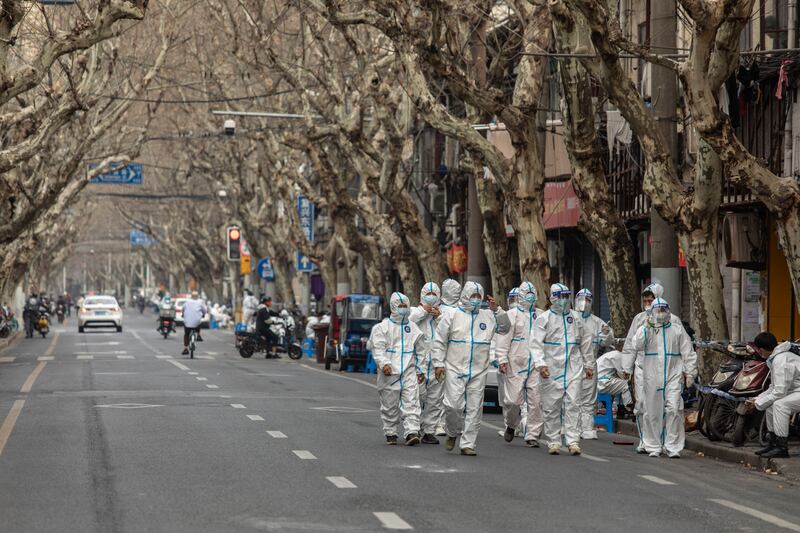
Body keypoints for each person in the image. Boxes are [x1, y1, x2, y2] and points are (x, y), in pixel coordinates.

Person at [432, 281, 511, 456]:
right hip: (454, 368)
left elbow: (505, 328)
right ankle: (453, 432)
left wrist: (497, 310)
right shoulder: (452, 315)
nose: (475, 300)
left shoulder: (488, 316)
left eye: (478, 296)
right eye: (472, 296)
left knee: (475, 408)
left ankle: (468, 444)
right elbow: (439, 341)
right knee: (453, 406)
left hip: (479, 370)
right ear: (465, 296)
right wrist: (438, 364)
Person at [624, 298, 697, 458]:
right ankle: (653, 445)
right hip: (652, 376)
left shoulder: (677, 330)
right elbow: (636, 344)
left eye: (664, 310)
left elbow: (688, 352)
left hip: (673, 375)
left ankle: (673, 446)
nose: (661, 314)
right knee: (652, 411)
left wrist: (690, 372)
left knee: (674, 409)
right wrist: (646, 327)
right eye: (658, 311)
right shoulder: (647, 329)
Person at [530, 283, 593, 456]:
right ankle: (554, 441)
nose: (564, 300)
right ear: (553, 298)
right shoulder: (544, 319)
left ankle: (573, 441)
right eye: (561, 297)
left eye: (566, 296)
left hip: (573, 367)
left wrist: (588, 364)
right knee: (551, 407)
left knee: (573, 403)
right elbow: (535, 344)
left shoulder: (576, 318)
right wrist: (540, 364)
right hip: (551, 370)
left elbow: (586, 341)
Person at [370, 292, 426, 446]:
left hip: (408, 371)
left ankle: (412, 432)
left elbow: (421, 351)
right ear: (394, 307)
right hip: (389, 372)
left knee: (412, 402)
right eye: (400, 306)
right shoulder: (383, 327)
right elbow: (378, 348)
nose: (403, 309)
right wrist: (384, 364)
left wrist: (421, 370)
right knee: (390, 405)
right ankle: (390, 432)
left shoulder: (413, 328)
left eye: (405, 306)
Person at [496, 281, 544, 447]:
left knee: (536, 400)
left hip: (536, 364)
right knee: (513, 401)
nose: (530, 296)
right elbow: (503, 340)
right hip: (516, 362)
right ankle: (511, 424)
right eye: (527, 293)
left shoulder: (541, 315)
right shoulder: (511, 315)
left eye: (533, 292)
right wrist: (502, 359)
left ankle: (532, 435)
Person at [750, 333, 800, 458]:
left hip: (796, 391)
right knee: (771, 405)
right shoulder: (777, 358)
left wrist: (757, 403)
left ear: (761, 350)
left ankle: (782, 447)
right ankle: (773, 444)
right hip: (795, 391)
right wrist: (757, 399)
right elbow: (774, 387)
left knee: (780, 405)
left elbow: (779, 392)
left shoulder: (780, 360)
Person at [574, 288, 614, 440]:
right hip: (572, 363)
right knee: (572, 395)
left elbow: (608, 341)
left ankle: (587, 427)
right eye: (581, 299)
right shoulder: (570, 318)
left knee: (589, 396)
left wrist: (606, 333)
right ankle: (571, 426)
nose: (584, 303)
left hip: (590, 363)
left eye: (588, 300)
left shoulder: (597, 322)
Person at [409, 282, 444, 444]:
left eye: (434, 294)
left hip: (437, 364)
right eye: (428, 293)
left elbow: (451, 330)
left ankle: (429, 431)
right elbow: (408, 323)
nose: (431, 297)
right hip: (418, 365)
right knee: (415, 397)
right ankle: (412, 430)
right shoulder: (413, 312)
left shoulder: (443, 315)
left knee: (435, 400)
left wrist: (439, 317)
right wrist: (424, 311)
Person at [596, 350, 633, 419]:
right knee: (626, 384)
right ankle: (629, 407)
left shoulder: (610, 354)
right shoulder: (618, 356)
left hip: (597, 382)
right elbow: (624, 375)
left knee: (619, 384)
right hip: (602, 383)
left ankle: (621, 409)